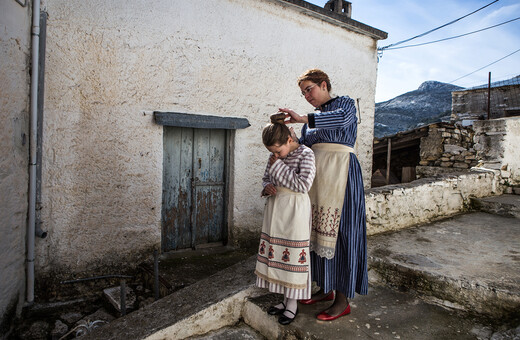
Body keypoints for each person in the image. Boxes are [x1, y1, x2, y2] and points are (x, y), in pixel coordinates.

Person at [279, 68, 368, 321]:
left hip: (342, 176)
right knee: (317, 233)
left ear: (324, 84)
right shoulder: (310, 120)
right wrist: (288, 138)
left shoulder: (345, 105)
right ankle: (325, 288)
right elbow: (304, 149)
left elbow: (341, 120)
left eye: (310, 89)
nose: (307, 95)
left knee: (342, 234)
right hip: (318, 181)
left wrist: (302, 119)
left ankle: (342, 301)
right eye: (303, 92)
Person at [254, 114, 316, 325]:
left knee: (292, 257)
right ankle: (284, 300)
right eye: (272, 152)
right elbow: (266, 177)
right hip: (276, 208)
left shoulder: (306, 154)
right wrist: (266, 188)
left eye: (278, 151)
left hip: (295, 210)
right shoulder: (275, 155)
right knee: (278, 255)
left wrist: (278, 165)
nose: (275, 156)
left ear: (289, 139)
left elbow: (303, 185)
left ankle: (293, 305)